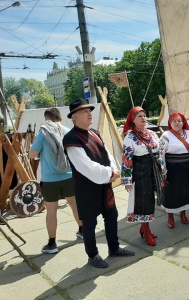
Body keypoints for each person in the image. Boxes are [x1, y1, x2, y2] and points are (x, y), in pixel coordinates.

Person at [63, 99, 134, 269]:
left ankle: (114, 248)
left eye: (89, 110)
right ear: (74, 116)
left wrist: (114, 169)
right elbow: (85, 165)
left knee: (111, 216)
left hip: (105, 185)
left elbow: (107, 153)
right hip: (87, 189)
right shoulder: (71, 138)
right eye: (84, 111)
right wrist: (110, 173)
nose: (89, 114)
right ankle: (93, 255)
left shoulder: (94, 132)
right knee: (89, 223)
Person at [29, 108, 83, 254]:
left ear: (47, 118)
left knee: (51, 211)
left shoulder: (44, 132)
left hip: (50, 179)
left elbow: (32, 154)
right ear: (60, 118)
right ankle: (83, 231)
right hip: (69, 176)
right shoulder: (68, 130)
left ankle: (52, 244)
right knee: (75, 205)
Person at [121, 106, 160, 246]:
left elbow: (159, 152)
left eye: (144, 115)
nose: (143, 118)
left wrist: (163, 171)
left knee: (151, 200)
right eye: (139, 116)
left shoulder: (153, 134)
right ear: (133, 119)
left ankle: (144, 228)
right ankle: (147, 231)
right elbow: (126, 159)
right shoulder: (130, 137)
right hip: (140, 172)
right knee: (143, 202)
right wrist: (127, 180)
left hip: (153, 170)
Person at [159, 113, 189, 229]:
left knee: (186, 192)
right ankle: (170, 217)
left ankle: (183, 215)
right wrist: (163, 170)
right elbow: (160, 155)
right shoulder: (165, 135)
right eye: (174, 121)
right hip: (172, 170)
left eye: (179, 121)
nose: (177, 123)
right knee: (171, 194)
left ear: (183, 122)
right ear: (170, 123)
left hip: (187, 168)